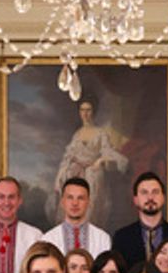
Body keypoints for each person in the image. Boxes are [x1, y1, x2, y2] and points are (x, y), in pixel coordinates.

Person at [53, 97, 130, 230]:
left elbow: (108, 151)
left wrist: (100, 161)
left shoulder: (100, 133)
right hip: (74, 173)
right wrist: (60, 174)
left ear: (93, 111)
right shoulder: (77, 134)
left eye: (88, 110)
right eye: (82, 110)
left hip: (92, 172)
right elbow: (68, 156)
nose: (85, 113)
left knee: (92, 202)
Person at [111, 172, 168, 269]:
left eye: (155, 192)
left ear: (163, 198)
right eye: (144, 192)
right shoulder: (121, 237)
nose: (150, 197)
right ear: (135, 199)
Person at [42, 177, 113, 257]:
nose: (75, 203)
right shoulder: (48, 239)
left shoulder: (103, 239)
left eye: (81, 198)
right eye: (70, 197)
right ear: (62, 201)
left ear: (88, 202)